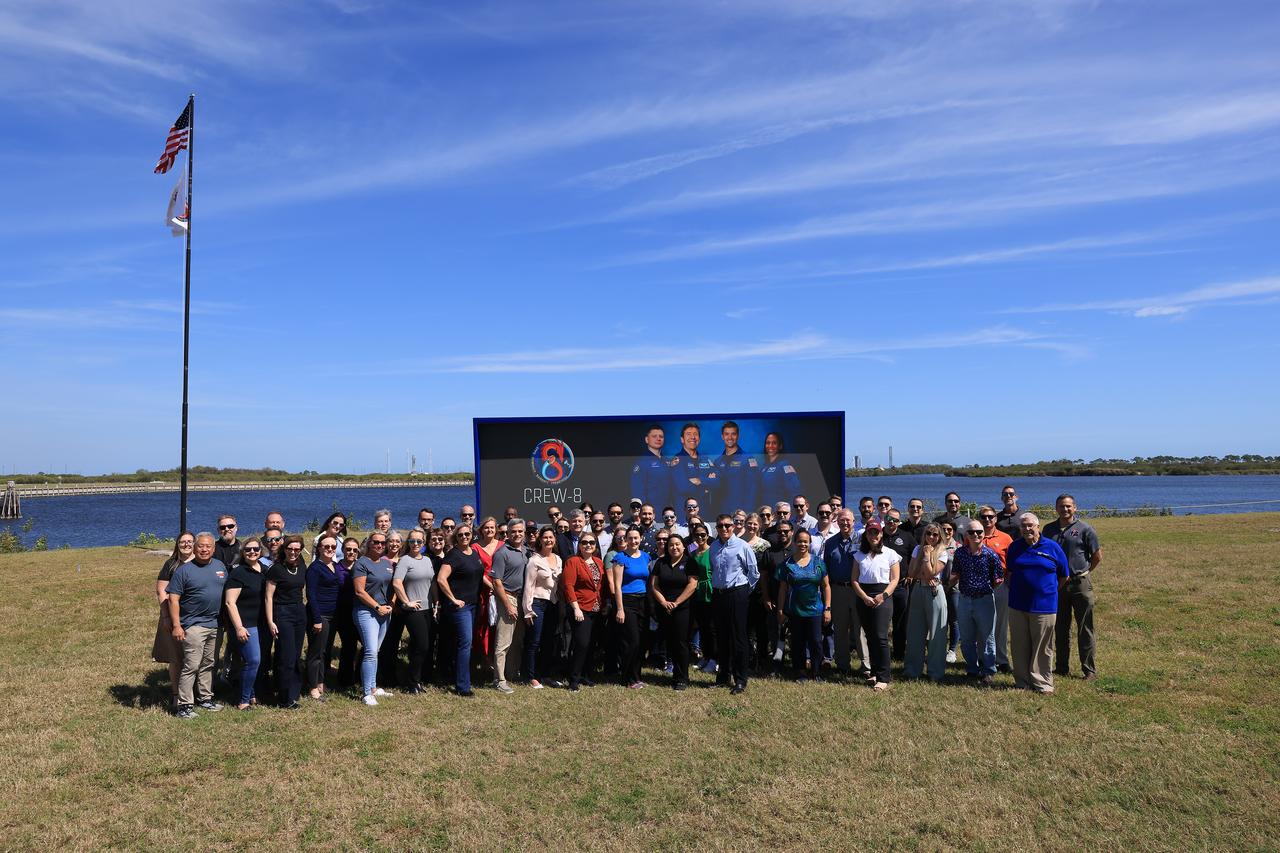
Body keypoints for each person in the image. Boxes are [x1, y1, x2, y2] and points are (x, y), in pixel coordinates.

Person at [166, 532, 227, 718]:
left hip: (215, 624)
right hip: (193, 625)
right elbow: (173, 599)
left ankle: (205, 698)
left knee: (209, 663)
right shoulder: (183, 571)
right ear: (194, 547)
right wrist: (177, 625)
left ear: (213, 548)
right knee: (191, 665)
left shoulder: (220, 566)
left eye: (208, 546)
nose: (204, 549)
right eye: (200, 546)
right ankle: (184, 706)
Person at [1006, 513, 1069, 694]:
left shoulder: (1052, 547)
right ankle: (1022, 681)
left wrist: (1049, 591)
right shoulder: (1015, 547)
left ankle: (1042, 682)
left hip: (1044, 606)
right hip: (1017, 605)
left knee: (1042, 646)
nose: (1027, 529)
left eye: (1030, 526)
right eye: (1023, 526)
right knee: (1019, 645)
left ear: (1038, 527)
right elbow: (1010, 572)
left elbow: (1064, 575)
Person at [1044, 494, 1102, 680]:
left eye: (1068, 506)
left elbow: (1096, 556)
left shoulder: (1085, 529)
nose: (1065, 509)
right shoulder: (1048, 529)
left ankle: (1089, 669)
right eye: (1061, 506)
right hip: (1058, 584)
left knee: (1085, 627)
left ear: (1075, 508)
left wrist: (1083, 572)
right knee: (1060, 627)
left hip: (1080, 584)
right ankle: (1062, 667)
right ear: (1056, 508)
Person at [708, 514, 759, 695]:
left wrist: (744, 592)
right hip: (719, 595)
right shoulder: (713, 547)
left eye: (728, 525)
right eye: (720, 526)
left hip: (737, 594)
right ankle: (723, 677)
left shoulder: (742, 546)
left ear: (734, 526)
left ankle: (740, 679)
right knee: (722, 638)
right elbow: (714, 570)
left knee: (738, 638)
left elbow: (754, 573)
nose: (724, 529)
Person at [822, 509, 872, 680]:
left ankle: (866, 665)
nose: (845, 523)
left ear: (853, 521)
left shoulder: (862, 540)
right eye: (842, 520)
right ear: (837, 521)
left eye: (848, 520)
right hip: (837, 590)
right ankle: (843, 664)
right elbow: (826, 568)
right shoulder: (829, 543)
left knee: (860, 629)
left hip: (857, 590)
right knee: (840, 629)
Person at [776, 529, 831, 681]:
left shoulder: (819, 563)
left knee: (816, 642)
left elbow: (826, 586)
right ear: (795, 542)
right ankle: (800, 671)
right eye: (799, 541)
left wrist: (827, 608)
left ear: (810, 543)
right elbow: (782, 589)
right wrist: (780, 610)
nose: (802, 544)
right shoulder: (787, 564)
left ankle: (816, 671)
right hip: (795, 610)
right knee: (798, 642)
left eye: (805, 541)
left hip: (815, 609)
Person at [952, 522, 1004, 686]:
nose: (976, 535)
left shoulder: (991, 555)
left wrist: (984, 590)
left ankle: (988, 670)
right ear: (966, 534)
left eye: (979, 532)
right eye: (972, 532)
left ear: (983, 533)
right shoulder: (960, 554)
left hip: (984, 600)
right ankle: (972, 669)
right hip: (965, 600)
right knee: (967, 638)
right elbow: (956, 573)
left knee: (987, 637)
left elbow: (998, 579)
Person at [851, 519, 900, 690]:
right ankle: (874, 672)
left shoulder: (890, 554)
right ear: (866, 534)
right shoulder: (859, 555)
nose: (874, 535)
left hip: (883, 596)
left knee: (880, 637)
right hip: (863, 596)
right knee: (870, 636)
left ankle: (884, 677)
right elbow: (854, 580)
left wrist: (883, 595)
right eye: (871, 532)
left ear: (881, 534)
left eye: (877, 532)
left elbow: (895, 579)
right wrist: (864, 597)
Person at [436, 524, 484, 697]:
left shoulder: (473, 553)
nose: (464, 536)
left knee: (464, 643)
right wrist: (453, 599)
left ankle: (456, 676)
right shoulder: (453, 555)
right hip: (459, 608)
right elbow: (441, 579)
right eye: (461, 534)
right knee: (465, 644)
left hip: (473, 605)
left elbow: (479, 575)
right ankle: (463, 686)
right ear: (455, 537)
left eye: (467, 534)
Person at [649, 533, 698, 690]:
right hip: (665, 609)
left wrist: (676, 602)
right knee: (670, 642)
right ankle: (674, 674)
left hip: (683, 609)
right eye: (671, 545)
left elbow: (692, 584)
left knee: (681, 643)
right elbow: (654, 585)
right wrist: (664, 602)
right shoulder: (660, 563)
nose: (674, 547)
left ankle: (682, 678)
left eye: (677, 544)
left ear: (683, 546)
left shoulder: (690, 562)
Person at [152, 532, 194, 711]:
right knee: (176, 658)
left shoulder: (203, 561)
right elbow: (161, 591)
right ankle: (177, 695)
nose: (186, 545)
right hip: (174, 615)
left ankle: (195, 693)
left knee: (194, 658)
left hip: (197, 616)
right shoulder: (171, 564)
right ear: (177, 544)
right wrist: (167, 616)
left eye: (190, 542)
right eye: (182, 542)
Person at [903, 523, 951, 682]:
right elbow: (911, 573)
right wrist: (924, 569)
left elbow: (932, 572)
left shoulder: (943, 551)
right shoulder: (917, 548)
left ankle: (935, 672)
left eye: (935, 535)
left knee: (937, 634)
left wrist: (925, 558)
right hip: (918, 590)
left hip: (935, 592)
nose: (931, 537)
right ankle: (912, 670)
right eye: (928, 533)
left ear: (940, 537)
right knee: (915, 632)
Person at [224, 536, 268, 710]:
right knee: (253, 660)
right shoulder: (238, 572)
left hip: (262, 624)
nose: (252, 552)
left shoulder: (264, 570)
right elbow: (230, 602)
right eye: (248, 550)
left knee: (258, 661)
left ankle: (252, 694)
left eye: (256, 549)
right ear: (242, 552)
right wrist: (239, 627)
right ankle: (243, 701)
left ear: (261, 551)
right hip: (246, 624)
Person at [391, 527, 436, 695]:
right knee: (422, 645)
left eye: (419, 541)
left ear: (424, 543)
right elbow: (396, 583)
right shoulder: (405, 561)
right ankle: (412, 682)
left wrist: (436, 603)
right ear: (407, 543)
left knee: (424, 646)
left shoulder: (427, 560)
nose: (415, 544)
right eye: (412, 541)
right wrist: (406, 602)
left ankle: (418, 680)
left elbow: (432, 583)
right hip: (413, 610)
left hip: (428, 608)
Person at [265, 534, 308, 709]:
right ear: (284, 549)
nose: (293, 552)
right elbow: (268, 597)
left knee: (296, 656)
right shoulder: (276, 569)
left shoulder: (302, 565)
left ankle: (294, 692)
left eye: (297, 549)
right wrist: (270, 621)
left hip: (299, 611)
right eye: (290, 549)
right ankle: (283, 697)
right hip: (282, 612)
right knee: (286, 656)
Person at [352, 532, 395, 705]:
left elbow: (394, 586)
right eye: (376, 542)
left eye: (382, 543)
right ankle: (366, 693)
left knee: (375, 652)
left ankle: (373, 688)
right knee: (370, 652)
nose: (379, 545)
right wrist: (377, 607)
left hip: (385, 612)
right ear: (369, 543)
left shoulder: (387, 563)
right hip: (366, 612)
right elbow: (359, 591)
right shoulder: (361, 563)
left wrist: (390, 605)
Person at [489, 518, 531, 694]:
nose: (517, 534)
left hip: (523, 600)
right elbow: (496, 582)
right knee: (503, 642)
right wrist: (507, 605)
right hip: (508, 598)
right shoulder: (501, 553)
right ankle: (499, 680)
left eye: (520, 531)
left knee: (517, 640)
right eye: (513, 531)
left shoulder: (527, 551)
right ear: (508, 533)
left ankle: (512, 674)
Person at [562, 533, 608, 691]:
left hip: (597, 609)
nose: (588, 545)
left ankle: (586, 675)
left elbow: (601, 586)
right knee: (581, 644)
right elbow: (568, 586)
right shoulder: (573, 561)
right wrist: (575, 608)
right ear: (579, 545)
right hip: (580, 608)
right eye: (584, 542)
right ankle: (573, 680)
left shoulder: (598, 562)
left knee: (591, 645)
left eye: (591, 542)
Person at [522, 526, 563, 689]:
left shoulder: (558, 559)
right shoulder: (534, 560)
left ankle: (545, 675)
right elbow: (528, 586)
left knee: (549, 641)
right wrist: (527, 610)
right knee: (534, 641)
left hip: (553, 604)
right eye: (545, 537)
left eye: (551, 537)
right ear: (540, 540)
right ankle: (531, 676)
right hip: (537, 604)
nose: (548, 540)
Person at [611, 527, 651, 689]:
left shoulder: (646, 556)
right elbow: (617, 586)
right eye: (630, 538)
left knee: (641, 642)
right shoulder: (620, 558)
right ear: (625, 540)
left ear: (641, 538)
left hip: (643, 602)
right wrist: (620, 609)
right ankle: (627, 678)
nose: (633, 541)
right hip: (627, 603)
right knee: (632, 641)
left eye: (636, 538)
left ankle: (636, 676)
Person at [304, 534, 342, 702]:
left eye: (333, 547)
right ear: (319, 548)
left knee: (324, 651)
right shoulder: (314, 568)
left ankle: (321, 682)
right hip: (319, 615)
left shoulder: (334, 565)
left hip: (333, 615)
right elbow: (310, 595)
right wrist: (317, 619)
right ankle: (312, 687)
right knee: (315, 653)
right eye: (326, 546)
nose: (330, 549)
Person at [976, 506, 1014, 672]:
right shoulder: (973, 536)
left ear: (996, 518)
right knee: (980, 623)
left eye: (990, 516)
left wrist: (1009, 582)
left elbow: (1011, 563)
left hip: (1000, 585)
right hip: (978, 586)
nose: (987, 520)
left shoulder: (1005, 538)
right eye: (983, 517)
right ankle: (982, 657)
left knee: (1000, 623)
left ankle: (1001, 658)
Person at [882, 510, 916, 661]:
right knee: (881, 621)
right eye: (889, 518)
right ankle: (880, 653)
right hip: (881, 587)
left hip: (901, 586)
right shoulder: (876, 534)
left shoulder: (906, 536)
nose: (891, 522)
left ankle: (899, 654)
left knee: (900, 621)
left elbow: (915, 555)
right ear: (885, 518)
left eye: (895, 520)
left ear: (899, 521)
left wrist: (911, 574)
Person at [714, 420, 760, 517]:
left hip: (741, 514)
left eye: (733, 434)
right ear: (722, 437)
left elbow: (753, 489)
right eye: (727, 434)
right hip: (722, 514)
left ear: (738, 436)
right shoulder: (717, 462)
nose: (730, 437)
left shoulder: (748, 459)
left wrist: (748, 513)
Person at [687, 523, 716, 674]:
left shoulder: (712, 552)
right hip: (697, 593)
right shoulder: (693, 554)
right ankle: (706, 656)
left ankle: (714, 659)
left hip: (710, 592)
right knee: (703, 627)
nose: (700, 537)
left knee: (712, 628)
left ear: (707, 536)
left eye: (703, 535)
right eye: (697, 535)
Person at [333, 537, 362, 689]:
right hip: (343, 612)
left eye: (355, 550)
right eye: (348, 549)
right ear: (343, 550)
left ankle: (360, 675)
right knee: (349, 645)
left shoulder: (361, 567)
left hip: (361, 611)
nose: (351, 552)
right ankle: (345, 680)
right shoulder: (336, 568)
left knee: (367, 645)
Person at [671, 422, 718, 511]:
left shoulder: (706, 459)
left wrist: (700, 481)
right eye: (688, 434)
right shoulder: (677, 460)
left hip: (704, 511)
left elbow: (719, 481)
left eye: (695, 434)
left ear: (699, 439)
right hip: (684, 512)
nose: (693, 437)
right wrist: (706, 489)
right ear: (682, 439)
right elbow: (682, 487)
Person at [631, 424, 673, 512]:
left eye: (661, 436)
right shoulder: (641, 462)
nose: (658, 439)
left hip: (668, 510)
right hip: (651, 511)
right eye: (654, 436)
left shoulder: (667, 461)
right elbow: (637, 491)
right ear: (647, 439)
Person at [759, 432, 802, 508]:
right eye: (768, 443)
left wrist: (787, 513)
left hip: (779, 514)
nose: (770, 446)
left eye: (774, 443)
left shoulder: (785, 466)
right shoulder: (764, 468)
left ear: (780, 446)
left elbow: (795, 493)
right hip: (765, 514)